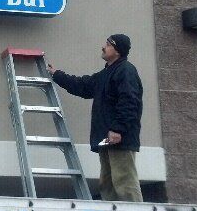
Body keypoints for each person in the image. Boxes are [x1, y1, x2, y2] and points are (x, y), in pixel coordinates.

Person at [47, 34, 144, 202]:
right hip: (108, 138)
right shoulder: (107, 73)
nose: (103, 47)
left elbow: (129, 102)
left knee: (124, 181)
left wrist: (118, 129)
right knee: (108, 183)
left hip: (119, 139)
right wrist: (57, 74)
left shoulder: (126, 71)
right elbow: (83, 86)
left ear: (118, 50)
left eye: (108, 44)